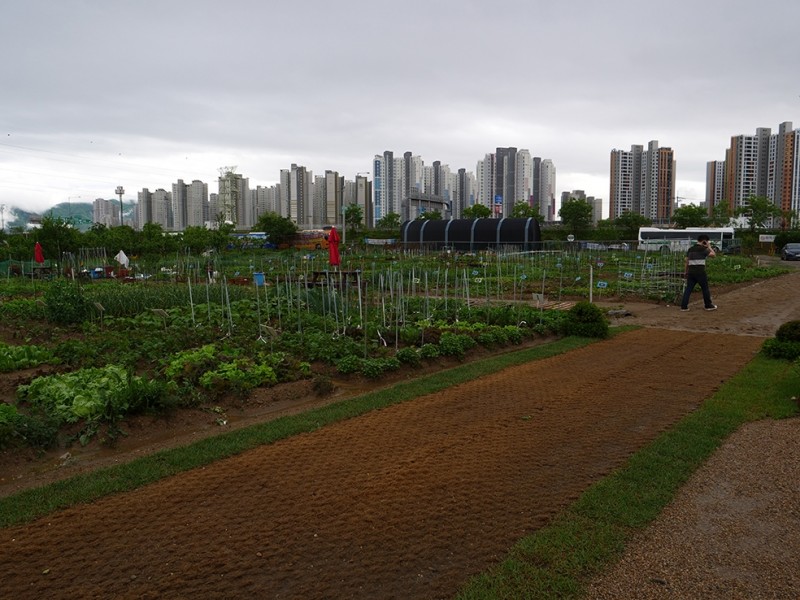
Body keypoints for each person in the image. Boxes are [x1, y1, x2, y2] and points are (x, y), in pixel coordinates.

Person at [680, 234, 717, 311]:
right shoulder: (703, 249)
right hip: (700, 272)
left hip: (691, 272)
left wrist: (686, 272)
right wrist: (709, 246)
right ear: (705, 241)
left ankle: (684, 306)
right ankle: (708, 305)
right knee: (705, 288)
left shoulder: (690, 249)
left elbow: (687, 261)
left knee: (688, 289)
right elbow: (713, 255)